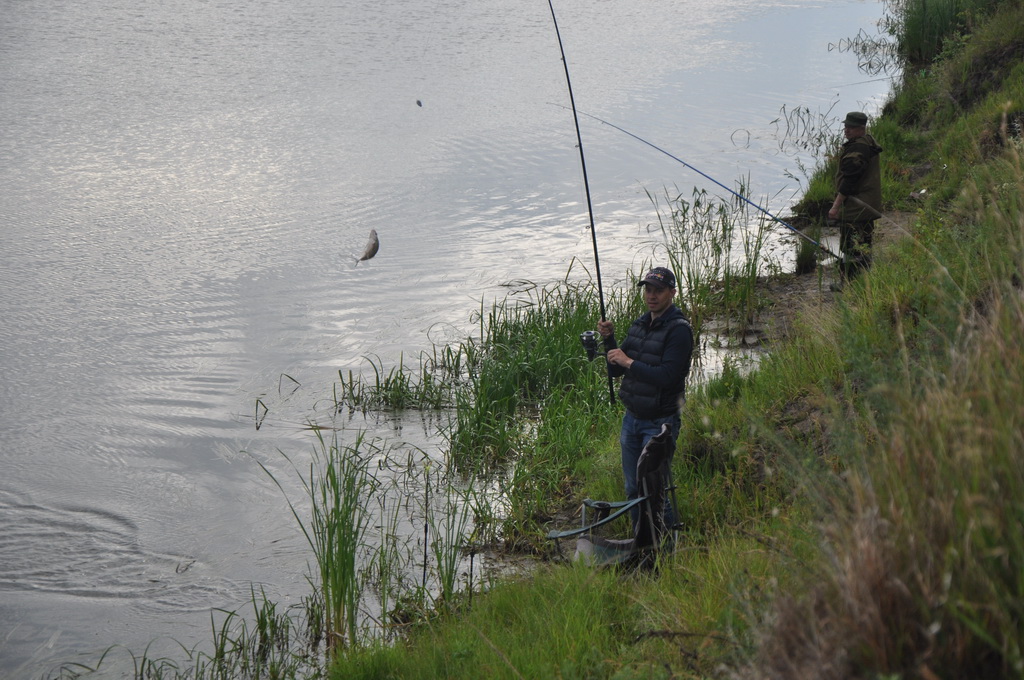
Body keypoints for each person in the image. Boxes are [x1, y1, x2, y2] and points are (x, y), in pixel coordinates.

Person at [597, 267, 693, 528]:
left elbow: (668, 376)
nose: (652, 296)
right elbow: (616, 369)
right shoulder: (640, 324)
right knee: (632, 489)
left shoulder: (679, 330)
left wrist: (629, 361)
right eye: (648, 290)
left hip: (660, 424)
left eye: (658, 291)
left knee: (655, 491)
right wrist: (610, 341)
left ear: (672, 293)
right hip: (632, 420)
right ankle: (643, 546)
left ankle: (667, 547)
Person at [828, 111, 884, 284]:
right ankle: (865, 280)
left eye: (851, 127)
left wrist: (836, 206)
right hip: (867, 205)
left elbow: (849, 182)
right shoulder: (867, 141)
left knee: (851, 245)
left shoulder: (857, 149)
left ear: (861, 128)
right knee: (864, 242)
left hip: (857, 206)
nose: (846, 130)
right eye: (845, 126)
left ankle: (849, 283)